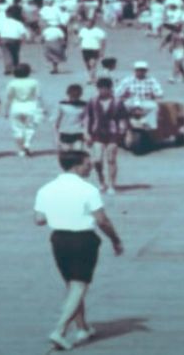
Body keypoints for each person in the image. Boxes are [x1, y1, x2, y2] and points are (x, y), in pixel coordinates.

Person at [34, 150, 124, 351]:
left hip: (58, 239)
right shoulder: (88, 189)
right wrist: (115, 240)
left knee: (72, 284)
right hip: (82, 239)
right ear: (76, 166)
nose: (90, 167)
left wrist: (60, 213)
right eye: (87, 164)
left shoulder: (46, 189)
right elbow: (102, 219)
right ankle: (60, 330)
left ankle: (82, 327)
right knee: (80, 285)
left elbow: (39, 219)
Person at [86, 78, 127, 194]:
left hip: (113, 133)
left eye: (105, 88)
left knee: (111, 159)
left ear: (110, 88)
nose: (103, 91)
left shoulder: (117, 102)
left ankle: (111, 185)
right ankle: (101, 181)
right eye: (100, 88)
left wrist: (123, 131)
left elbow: (123, 117)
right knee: (97, 160)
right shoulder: (92, 101)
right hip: (97, 133)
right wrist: (86, 133)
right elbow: (87, 118)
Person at [4, 63, 45, 157]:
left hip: (16, 107)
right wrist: (42, 108)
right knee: (30, 128)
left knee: (17, 129)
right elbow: (38, 96)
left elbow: (9, 98)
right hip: (31, 106)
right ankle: (27, 144)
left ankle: (21, 149)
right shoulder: (34, 82)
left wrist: (6, 110)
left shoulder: (12, 83)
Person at [115, 61, 163, 130]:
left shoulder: (152, 80)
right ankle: (122, 127)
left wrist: (153, 95)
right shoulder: (127, 80)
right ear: (134, 70)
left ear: (146, 71)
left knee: (154, 106)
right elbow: (117, 93)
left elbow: (159, 93)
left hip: (145, 101)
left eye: (142, 70)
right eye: (138, 70)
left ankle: (151, 128)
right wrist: (124, 96)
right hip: (131, 101)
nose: (140, 72)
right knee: (120, 106)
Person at [55, 84, 88, 152]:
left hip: (78, 133)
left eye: (76, 96)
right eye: (72, 96)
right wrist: (56, 138)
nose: (74, 98)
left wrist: (86, 133)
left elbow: (86, 121)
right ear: (68, 94)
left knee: (77, 153)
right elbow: (56, 123)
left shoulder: (84, 105)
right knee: (67, 155)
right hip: (65, 133)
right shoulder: (62, 105)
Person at [0, 11, 30, 75]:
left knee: (6, 54)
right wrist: (23, 40)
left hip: (5, 38)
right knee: (15, 54)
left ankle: (8, 69)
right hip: (15, 39)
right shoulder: (18, 23)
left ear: (6, 15)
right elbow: (23, 33)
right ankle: (16, 67)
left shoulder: (2, 23)